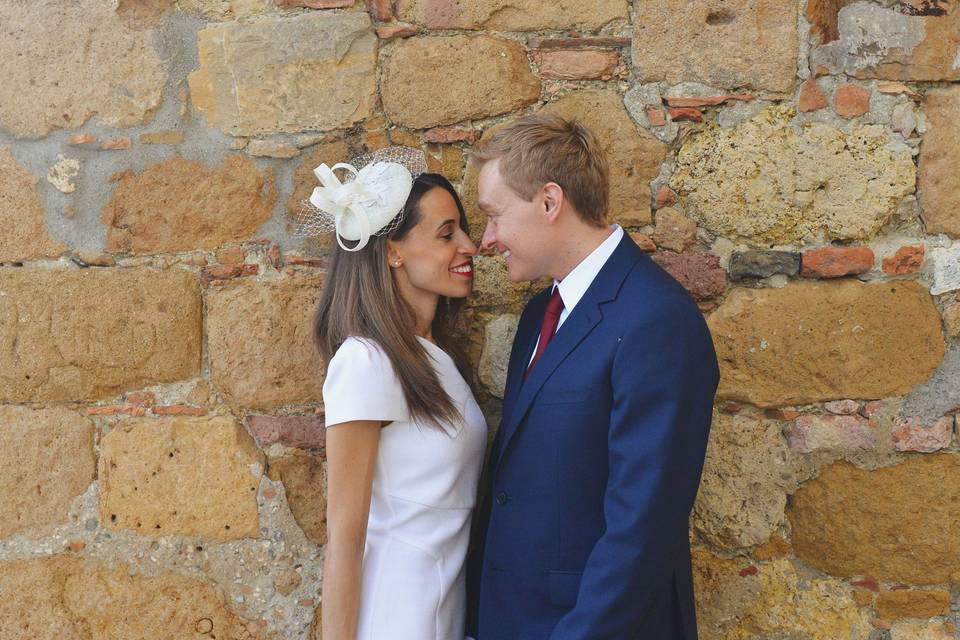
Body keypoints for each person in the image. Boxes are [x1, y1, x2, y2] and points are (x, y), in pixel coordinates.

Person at [465, 115, 720, 640]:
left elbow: (642, 529)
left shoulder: (657, 320)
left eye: (493, 216)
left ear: (549, 202)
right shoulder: (540, 315)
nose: (487, 240)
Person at [304, 147, 487, 640]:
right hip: (398, 616)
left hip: (444, 609)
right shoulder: (365, 361)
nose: (470, 246)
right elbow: (344, 536)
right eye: (447, 234)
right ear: (392, 251)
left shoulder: (434, 357)